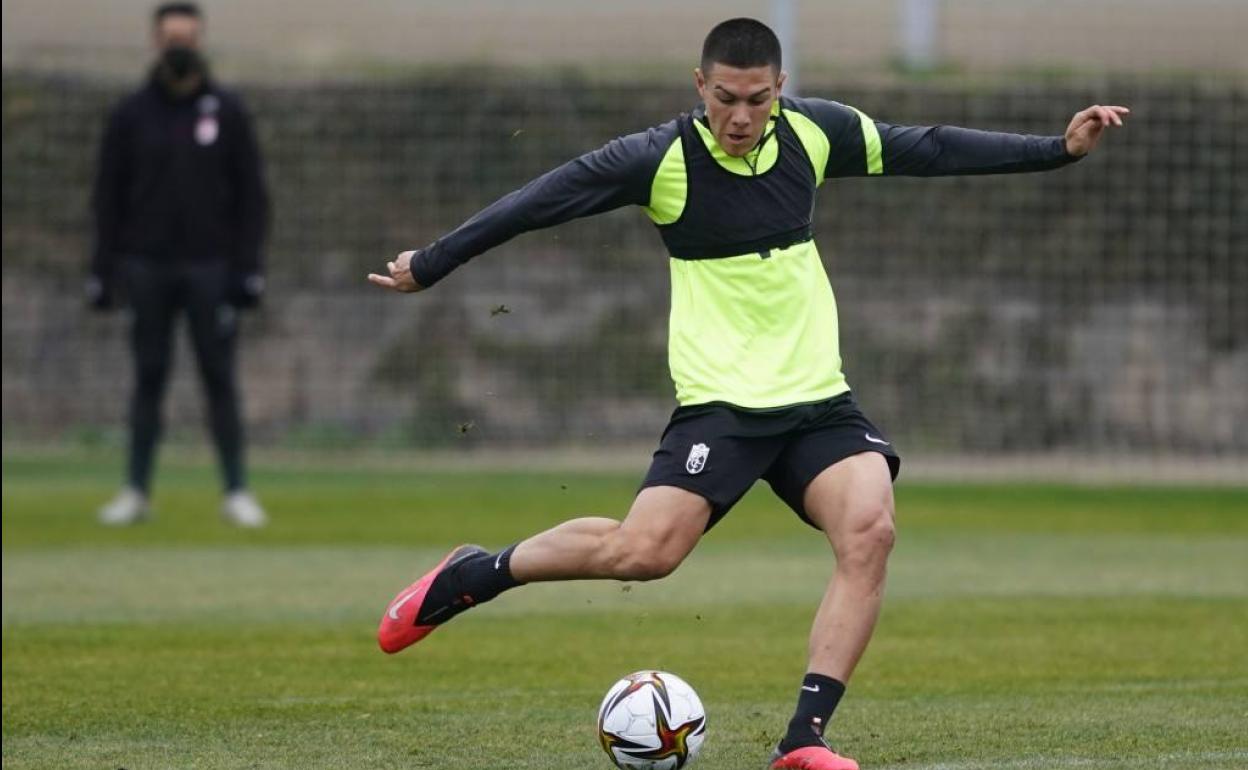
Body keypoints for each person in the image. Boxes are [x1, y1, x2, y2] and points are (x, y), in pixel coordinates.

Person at [368, 18, 1127, 769]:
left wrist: (1056, 151)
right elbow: (541, 198)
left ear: (780, 89)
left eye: (756, 100)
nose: (739, 116)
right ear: (700, 86)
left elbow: (925, 146)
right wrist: (432, 262)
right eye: (725, 98)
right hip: (723, 408)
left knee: (871, 532)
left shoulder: (815, 134)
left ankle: (802, 740)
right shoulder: (658, 159)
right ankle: (476, 573)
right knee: (644, 554)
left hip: (818, 402)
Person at [89, 2, 270, 528]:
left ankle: (236, 490)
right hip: (145, 267)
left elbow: (251, 198)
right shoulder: (130, 114)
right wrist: (103, 269)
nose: (180, 47)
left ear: (201, 40)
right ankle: (135, 491)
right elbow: (107, 197)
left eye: (188, 37)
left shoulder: (227, 111)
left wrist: (247, 269)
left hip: (211, 269)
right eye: (171, 38)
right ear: (156, 41)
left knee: (219, 377)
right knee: (148, 376)